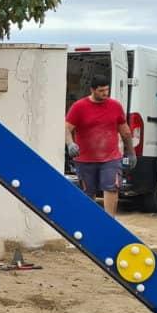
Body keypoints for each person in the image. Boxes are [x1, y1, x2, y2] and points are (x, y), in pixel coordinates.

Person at [65, 77, 135, 216]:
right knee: (88, 192)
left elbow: (125, 131)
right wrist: (70, 143)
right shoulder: (79, 107)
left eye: (107, 90)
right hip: (85, 159)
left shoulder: (115, 106)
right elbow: (67, 128)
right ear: (92, 90)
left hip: (111, 158)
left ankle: (109, 222)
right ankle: (91, 221)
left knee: (111, 188)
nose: (105, 93)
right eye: (101, 90)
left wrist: (131, 152)